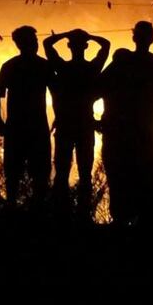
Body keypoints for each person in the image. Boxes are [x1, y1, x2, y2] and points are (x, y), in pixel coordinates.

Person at [98, 21, 153, 225]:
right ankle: (142, 217)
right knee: (142, 171)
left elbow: (98, 86)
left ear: (135, 38)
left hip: (131, 128)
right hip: (140, 127)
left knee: (125, 171)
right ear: (151, 38)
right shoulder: (149, 61)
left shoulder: (124, 61)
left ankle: (126, 217)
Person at [44, 29, 110, 223]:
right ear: (86, 47)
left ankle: (60, 213)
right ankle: (83, 214)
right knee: (85, 172)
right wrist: (88, 35)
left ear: (69, 47)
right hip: (85, 124)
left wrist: (67, 34)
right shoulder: (92, 69)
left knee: (62, 171)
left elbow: (47, 44)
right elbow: (106, 44)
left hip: (65, 123)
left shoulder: (62, 68)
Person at [0, 26, 54, 211]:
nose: (35, 44)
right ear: (23, 43)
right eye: (32, 40)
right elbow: (57, 93)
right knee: (36, 173)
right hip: (34, 128)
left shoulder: (11, 66)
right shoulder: (42, 66)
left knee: (15, 173)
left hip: (18, 128)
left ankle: (15, 209)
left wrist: (0, 122)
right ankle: (35, 211)